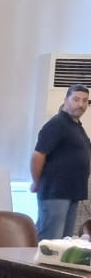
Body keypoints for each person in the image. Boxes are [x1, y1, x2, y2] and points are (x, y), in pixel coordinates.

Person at [30, 83, 91, 240]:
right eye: (76, 99)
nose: (81, 104)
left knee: (64, 243)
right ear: (65, 100)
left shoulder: (76, 126)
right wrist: (36, 183)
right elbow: (38, 155)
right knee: (50, 241)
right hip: (55, 192)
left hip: (72, 192)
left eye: (85, 101)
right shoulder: (57, 124)